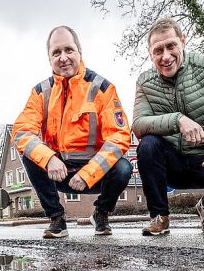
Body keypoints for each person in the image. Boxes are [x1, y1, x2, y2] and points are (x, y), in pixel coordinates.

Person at [12, 26, 133, 238]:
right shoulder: (41, 92)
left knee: (123, 168)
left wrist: (88, 173)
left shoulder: (102, 88)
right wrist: (48, 159)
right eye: (56, 53)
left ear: (79, 52)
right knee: (30, 154)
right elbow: (22, 132)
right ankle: (56, 218)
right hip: (59, 170)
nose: (63, 57)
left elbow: (119, 137)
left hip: (95, 173)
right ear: (49, 59)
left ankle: (101, 213)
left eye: (69, 50)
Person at [133, 17, 204, 236]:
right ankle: (160, 216)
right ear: (150, 53)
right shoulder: (145, 82)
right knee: (147, 145)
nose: (165, 56)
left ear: (182, 42)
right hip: (170, 163)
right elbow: (139, 124)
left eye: (171, 46)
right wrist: (177, 119)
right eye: (158, 50)